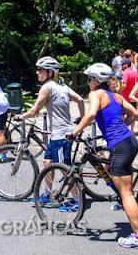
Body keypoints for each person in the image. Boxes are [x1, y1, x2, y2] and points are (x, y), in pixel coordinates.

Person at [69, 63, 138, 250]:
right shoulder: (116, 96)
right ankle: (124, 201)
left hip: (120, 146)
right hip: (129, 142)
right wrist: (119, 129)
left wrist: (75, 132)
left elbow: (92, 113)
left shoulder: (95, 94)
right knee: (116, 176)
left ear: (96, 81)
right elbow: (134, 113)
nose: (88, 83)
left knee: (126, 192)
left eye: (89, 79)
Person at [20, 56, 85, 208]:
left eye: (40, 70)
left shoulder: (46, 88)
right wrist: (81, 119)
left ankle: (77, 200)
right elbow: (80, 100)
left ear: (50, 72)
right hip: (58, 134)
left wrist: (19, 116)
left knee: (64, 168)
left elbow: (35, 110)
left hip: (61, 136)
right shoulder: (62, 86)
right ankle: (46, 194)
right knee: (47, 162)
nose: (37, 73)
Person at [119, 58, 138, 133]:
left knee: (123, 114)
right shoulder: (135, 72)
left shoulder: (126, 72)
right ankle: (132, 129)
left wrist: (118, 91)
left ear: (126, 65)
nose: (121, 66)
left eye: (122, 64)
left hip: (126, 97)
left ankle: (124, 129)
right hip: (134, 97)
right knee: (132, 114)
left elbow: (124, 85)